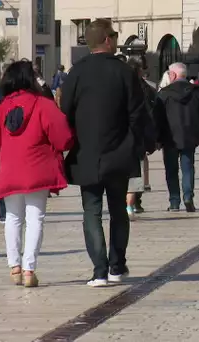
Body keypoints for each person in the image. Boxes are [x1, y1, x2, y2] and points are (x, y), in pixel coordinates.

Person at [61, 19, 145, 287]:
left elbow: (65, 113)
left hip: (87, 153)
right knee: (118, 210)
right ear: (107, 40)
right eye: (115, 35)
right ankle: (117, 267)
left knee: (91, 211)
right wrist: (139, 145)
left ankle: (99, 271)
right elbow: (137, 113)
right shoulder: (124, 72)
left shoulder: (76, 73)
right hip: (119, 153)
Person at [0, 60, 74, 288]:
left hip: (8, 172)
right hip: (38, 171)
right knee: (35, 218)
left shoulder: (0, 109)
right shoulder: (43, 105)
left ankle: (14, 267)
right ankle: (29, 268)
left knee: (12, 218)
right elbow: (64, 137)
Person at [153, 62, 199, 212]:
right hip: (190, 136)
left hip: (169, 137)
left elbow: (158, 117)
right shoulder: (196, 92)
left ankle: (174, 201)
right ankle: (188, 197)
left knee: (171, 170)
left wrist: (157, 137)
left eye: (169, 73)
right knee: (188, 168)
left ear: (173, 75)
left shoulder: (164, 94)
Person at [125, 58, 157, 219]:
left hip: (122, 136)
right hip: (139, 134)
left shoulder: (119, 87)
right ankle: (135, 201)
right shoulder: (146, 88)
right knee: (137, 166)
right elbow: (150, 112)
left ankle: (129, 202)